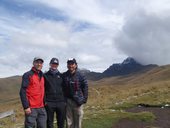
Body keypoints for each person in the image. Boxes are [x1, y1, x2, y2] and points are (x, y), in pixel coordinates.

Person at [19, 57, 47, 128]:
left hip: (41, 107)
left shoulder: (42, 76)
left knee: (42, 126)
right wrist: (26, 107)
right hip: (31, 108)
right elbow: (22, 91)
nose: (39, 64)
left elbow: (43, 90)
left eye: (40, 63)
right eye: (37, 62)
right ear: (33, 63)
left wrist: (45, 102)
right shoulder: (28, 75)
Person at [62, 58, 88, 128]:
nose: (71, 66)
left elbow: (85, 87)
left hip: (78, 102)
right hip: (68, 102)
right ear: (67, 65)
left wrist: (84, 100)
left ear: (76, 65)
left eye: (72, 64)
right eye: (69, 64)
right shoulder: (64, 75)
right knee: (69, 122)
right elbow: (62, 88)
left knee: (78, 122)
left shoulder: (81, 75)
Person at [44, 58, 66, 128]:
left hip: (61, 102)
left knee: (61, 122)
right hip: (49, 102)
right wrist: (45, 101)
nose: (54, 65)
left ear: (58, 65)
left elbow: (65, 89)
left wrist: (64, 101)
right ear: (50, 64)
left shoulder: (62, 76)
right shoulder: (45, 76)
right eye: (53, 63)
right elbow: (43, 89)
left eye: (56, 64)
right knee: (49, 122)